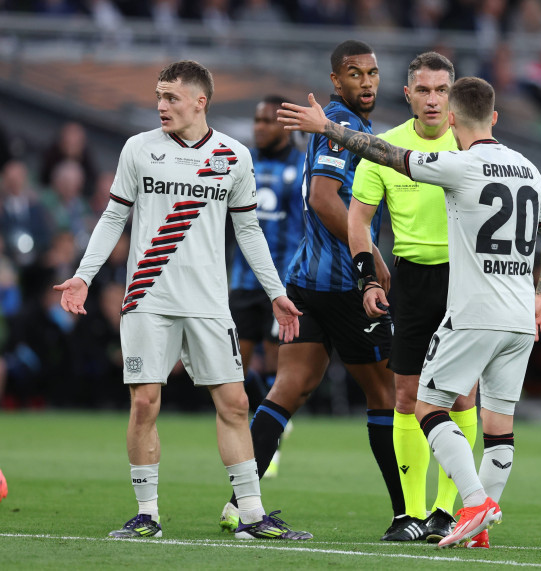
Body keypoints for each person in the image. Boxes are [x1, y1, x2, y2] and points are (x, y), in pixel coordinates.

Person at [278, 75, 541, 548]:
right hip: (520, 318)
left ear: (452, 118)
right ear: (494, 117)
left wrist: (328, 130)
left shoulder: (460, 164)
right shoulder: (527, 168)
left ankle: (474, 502)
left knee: (427, 406)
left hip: (474, 312)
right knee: (499, 426)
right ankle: (479, 532)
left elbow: (386, 153)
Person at [53, 60, 311, 541]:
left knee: (234, 404)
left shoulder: (233, 155)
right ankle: (146, 513)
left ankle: (251, 516)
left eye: (171, 98)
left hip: (210, 302)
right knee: (145, 403)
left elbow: (248, 230)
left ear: (200, 101)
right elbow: (113, 218)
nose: (160, 106)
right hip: (148, 297)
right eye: (158, 96)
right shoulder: (138, 148)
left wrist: (277, 293)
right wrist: (83, 277)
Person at [218, 40, 405, 539]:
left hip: (306, 280)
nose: (366, 81)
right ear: (334, 82)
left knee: (288, 389)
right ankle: (404, 515)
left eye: (372, 73)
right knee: (385, 394)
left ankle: (242, 505)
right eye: (354, 73)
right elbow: (324, 198)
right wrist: (370, 254)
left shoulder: (348, 127)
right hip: (345, 284)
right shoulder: (340, 129)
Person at [348, 51, 478, 544]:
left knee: (461, 394)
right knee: (406, 396)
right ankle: (411, 514)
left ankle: (448, 511)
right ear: (407, 94)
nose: (431, 99)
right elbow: (358, 220)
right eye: (422, 90)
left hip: (465, 279)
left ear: (453, 94)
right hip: (410, 279)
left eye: (441, 90)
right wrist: (369, 279)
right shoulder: (385, 148)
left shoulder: (472, 147)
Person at [225, 95, 305, 482]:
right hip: (242, 278)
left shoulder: (303, 166)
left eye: (267, 121)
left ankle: (266, 451)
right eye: (256, 120)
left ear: (284, 126)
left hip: (283, 282)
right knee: (232, 365)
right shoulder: (242, 162)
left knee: (277, 364)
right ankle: (258, 425)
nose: (259, 127)